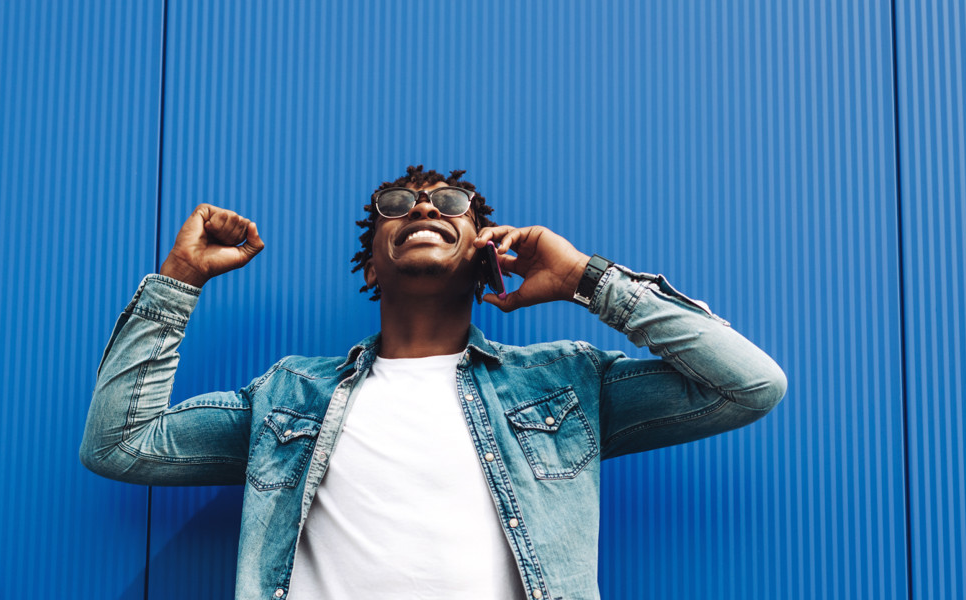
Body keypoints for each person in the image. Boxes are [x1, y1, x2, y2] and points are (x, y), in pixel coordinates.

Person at [81, 165, 787, 600]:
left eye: (450, 203)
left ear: (487, 255)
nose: (422, 209)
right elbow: (120, 443)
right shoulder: (290, 395)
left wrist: (584, 278)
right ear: (371, 265)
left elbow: (748, 385)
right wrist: (180, 279)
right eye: (396, 204)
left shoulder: (564, 383)